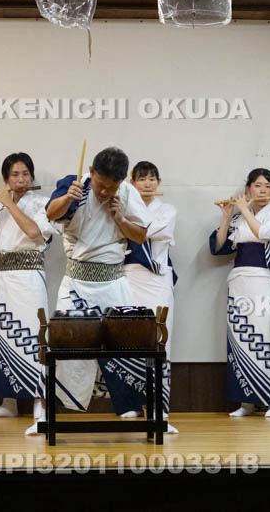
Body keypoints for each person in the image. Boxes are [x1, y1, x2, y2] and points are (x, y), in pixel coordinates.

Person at [44, 147, 153, 423]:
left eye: (111, 187)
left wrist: (121, 219)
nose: (104, 193)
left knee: (124, 346)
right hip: (76, 282)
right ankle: (57, 408)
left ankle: (129, 406)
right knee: (68, 346)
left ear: (122, 181)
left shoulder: (128, 193)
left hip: (113, 280)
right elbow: (50, 214)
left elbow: (140, 236)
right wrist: (68, 198)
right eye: (100, 185)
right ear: (91, 172)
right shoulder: (75, 184)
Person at [0, 152, 55, 434]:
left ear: (32, 177)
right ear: (6, 179)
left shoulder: (44, 204)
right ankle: (8, 403)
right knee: (4, 335)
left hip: (30, 277)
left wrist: (9, 203)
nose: (20, 180)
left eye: (25, 175)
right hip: (4, 278)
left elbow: (35, 234)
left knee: (34, 337)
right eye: (14, 175)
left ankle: (40, 407)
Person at [209, 168, 270, 418]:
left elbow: (265, 233)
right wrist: (226, 216)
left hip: (264, 281)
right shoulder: (237, 219)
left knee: (267, 335)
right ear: (248, 189)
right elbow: (218, 247)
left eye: (268, 186)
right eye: (258, 185)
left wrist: (244, 209)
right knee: (240, 338)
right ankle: (246, 402)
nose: (263, 190)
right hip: (239, 281)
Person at [121, 161, 178, 433]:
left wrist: (127, 221)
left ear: (159, 181)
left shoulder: (168, 210)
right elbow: (123, 235)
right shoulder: (124, 207)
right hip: (130, 277)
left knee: (161, 339)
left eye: (152, 178)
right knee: (129, 340)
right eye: (141, 178)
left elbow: (144, 233)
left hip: (158, 280)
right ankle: (131, 402)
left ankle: (160, 407)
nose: (147, 183)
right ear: (132, 182)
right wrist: (126, 218)